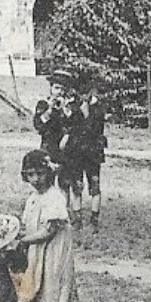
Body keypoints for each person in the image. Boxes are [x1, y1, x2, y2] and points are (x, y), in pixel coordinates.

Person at [16, 149, 76, 302]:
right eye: (31, 174)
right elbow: (28, 226)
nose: (35, 179)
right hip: (37, 255)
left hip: (53, 256)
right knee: (38, 301)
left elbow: (49, 231)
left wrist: (24, 241)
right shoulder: (33, 199)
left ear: (50, 172)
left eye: (40, 174)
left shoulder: (55, 197)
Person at [59, 83, 107, 230]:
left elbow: (96, 129)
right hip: (77, 152)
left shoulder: (98, 109)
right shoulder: (73, 106)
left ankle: (94, 219)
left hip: (92, 152)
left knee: (94, 185)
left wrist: (87, 113)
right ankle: (78, 218)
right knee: (77, 185)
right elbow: (67, 126)